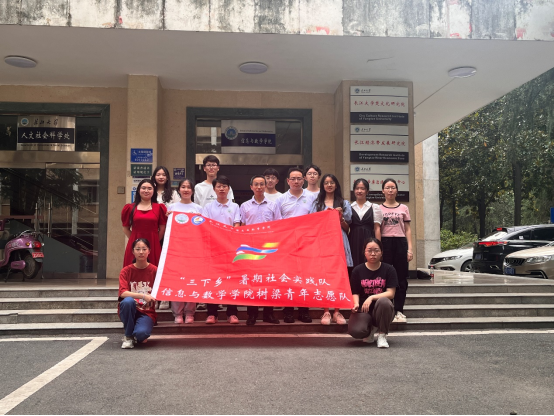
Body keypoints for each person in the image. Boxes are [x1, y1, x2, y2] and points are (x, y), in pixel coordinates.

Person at [275, 167, 317, 324]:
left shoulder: (312, 197)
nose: (296, 181)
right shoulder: (281, 199)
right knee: (288, 278)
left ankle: (303, 311)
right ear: (288, 181)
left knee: (304, 277)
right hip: (287, 244)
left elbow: (316, 219)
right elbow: (277, 222)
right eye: (293, 179)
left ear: (304, 180)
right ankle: (288, 311)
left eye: (299, 178)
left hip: (306, 243)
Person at [240, 175, 283, 326]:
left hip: (268, 249)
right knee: (252, 282)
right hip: (250, 249)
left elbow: (278, 226)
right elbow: (242, 227)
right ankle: (252, 314)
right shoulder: (244, 206)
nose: (259, 187)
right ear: (251, 187)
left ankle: (268, 314)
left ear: (265, 186)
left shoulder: (273, 205)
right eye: (256, 184)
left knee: (268, 281)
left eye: (261, 184)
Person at [309, 174, 351, 326]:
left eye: (332, 182)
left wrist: (340, 217)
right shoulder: (317, 203)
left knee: (338, 276)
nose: (329, 185)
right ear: (323, 186)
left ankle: (337, 311)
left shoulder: (344, 203)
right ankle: (326, 310)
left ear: (336, 185)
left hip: (339, 241)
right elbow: (312, 223)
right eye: (326, 183)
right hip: (323, 242)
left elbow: (348, 227)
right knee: (324, 276)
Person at [202, 176, 241, 325]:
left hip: (230, 249)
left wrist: (228, 240)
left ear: (228, 189)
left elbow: (237, 225)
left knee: (231, 281)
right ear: (214, 189)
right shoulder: (208, 207)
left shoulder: (235, 206)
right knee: (212, 280)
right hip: (213, 249)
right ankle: (212, 313)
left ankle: (232, 313)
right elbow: (206, 225)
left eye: (224, 186)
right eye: (219, 186)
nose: (222, 189)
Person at [348, 238, 397, 349]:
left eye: (376, 250)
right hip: (364, 309)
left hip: (383, 309)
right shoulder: (357, 270)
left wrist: (371, 297)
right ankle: (370, 330)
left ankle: (382, 335)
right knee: (356, 331)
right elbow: (355, 292)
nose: (373, 254)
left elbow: (391, 293)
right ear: (364, 252)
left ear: (381, 252)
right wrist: (355, 304)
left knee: (384, 301)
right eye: (369, 250)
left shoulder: (389, 270)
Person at [166, 179, 203, 325]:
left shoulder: (198, 208)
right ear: (179, 190)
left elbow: (202, 229)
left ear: (192, 190)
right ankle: (177, 313)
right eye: (183, 187)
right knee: (177, 281)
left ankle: (190, 312)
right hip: (176, 250)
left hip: (193, 251)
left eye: (188, 187)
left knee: (191, 281)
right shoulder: (172, 207)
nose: (186, 189)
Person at [380, 178, 413, 324]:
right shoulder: (378, 208)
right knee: (385, 277)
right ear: (383, 191)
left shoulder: (404, 208)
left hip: (400, 243)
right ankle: (387, 309)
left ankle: (399, 310)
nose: (390, 190)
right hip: (385, 243)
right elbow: (377, 229)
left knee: (401, 278)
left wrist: (410, 249)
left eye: (393, 187)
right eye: (387, 187)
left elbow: (408, 230)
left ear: (397, 190)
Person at [118, 238, 158, 349]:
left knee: (142, 334)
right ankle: (128, 336)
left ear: (149, 251)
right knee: (128, 301)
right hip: (129, 309)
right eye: (138, 249)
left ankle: (137, 332)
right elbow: (122, 293)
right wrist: (143, 296)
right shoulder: (126, 271)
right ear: (133, 251)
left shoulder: (155, 271)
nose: (141, 252)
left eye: (144, 249)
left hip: (146, 312)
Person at [121, 179, 167, 267]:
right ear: (138, 190)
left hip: (153, 244)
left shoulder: (159, 208)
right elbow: (125, 228)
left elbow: (162, 229)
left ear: (154, 191)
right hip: (135, 243)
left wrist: (154, 240)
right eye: (143, 188)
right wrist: (136, 241)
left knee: (154, 270)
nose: (146, 191)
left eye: (149, 188)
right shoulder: (129, 208)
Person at [151, 166, 178, 310]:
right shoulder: (149, 191)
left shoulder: (173, 193)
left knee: (166, 264)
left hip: (169, 233)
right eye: (158, 174)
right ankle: (154, 296)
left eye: (163, 174)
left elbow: (178, 210)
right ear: (154, 177)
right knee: (154, 264)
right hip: (153, 232)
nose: (161, 177)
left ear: (167, 177)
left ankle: (166, 296)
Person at [349, 179, 383, 269]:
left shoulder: (374, 207)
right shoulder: (349, 207)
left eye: (362, 188)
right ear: (354, 190)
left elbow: (377, 228)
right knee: (354, 263)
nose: (359, 191)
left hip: (369, 239)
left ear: (367, 191)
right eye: (357, 188)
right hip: (353, 239)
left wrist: (378, 246)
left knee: (369, 263)